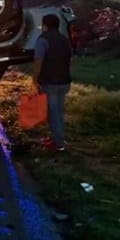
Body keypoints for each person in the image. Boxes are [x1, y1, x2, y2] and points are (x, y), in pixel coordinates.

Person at [32, 14, 72, 152]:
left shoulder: (43, 40)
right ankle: (57, 138)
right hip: (64, 81)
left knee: (53, 112)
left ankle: (59, 143)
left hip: (50, 81)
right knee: (59, 111)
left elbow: (38, 62)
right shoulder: (65, 40)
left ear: (44, 25)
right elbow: (69, 59)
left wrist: (34, 80)